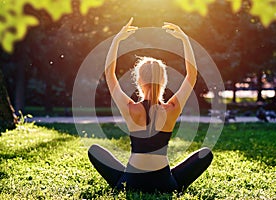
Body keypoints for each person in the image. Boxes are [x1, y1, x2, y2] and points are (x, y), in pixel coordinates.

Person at [88, 18, 213, 193]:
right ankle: (174, 185)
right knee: (205, 154)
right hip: (164, 183)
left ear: (138, 81)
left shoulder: (131, 108)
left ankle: (121, 183)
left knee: (94, 150)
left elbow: (110, 74)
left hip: (131, 182)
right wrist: (184, 39)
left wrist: (116, 40)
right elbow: (191, 75)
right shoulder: (171, 108)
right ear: (164, 80)